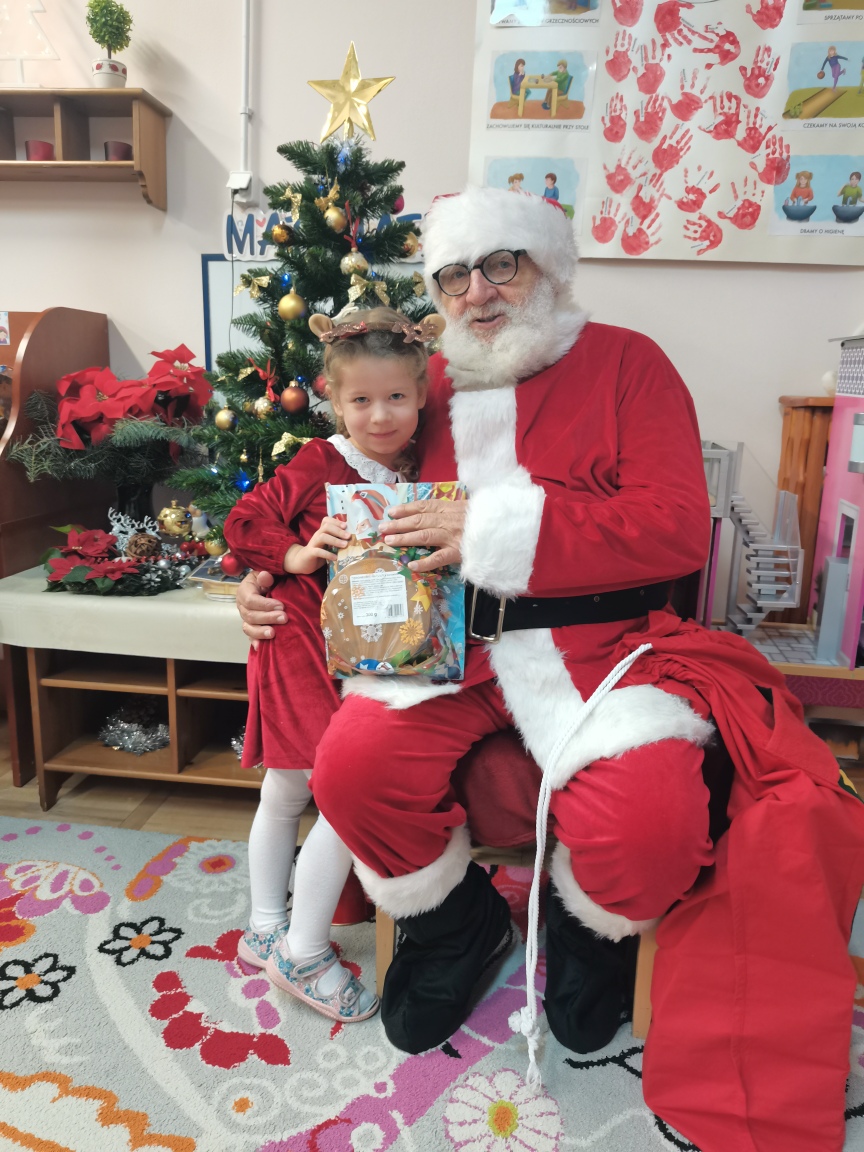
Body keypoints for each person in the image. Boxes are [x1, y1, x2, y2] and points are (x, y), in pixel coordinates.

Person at [236, 188, 864, 1152]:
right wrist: (266, 573)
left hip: (598, 645)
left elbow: (673, 528)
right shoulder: (417, 382)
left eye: (502, 265)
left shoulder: (628, 363)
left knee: (653, 825)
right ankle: (456, 926)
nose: (477, 293)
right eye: (454, 275)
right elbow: (332, 481)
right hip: (445, 643)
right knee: (351, 768)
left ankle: (585, 934)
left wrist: (491, 527)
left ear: (550, 268)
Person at [223, 306, 438, 1024]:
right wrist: (294, 556)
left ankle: (264, 929)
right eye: (361, 399)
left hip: (355, 648)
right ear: (334, 400)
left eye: (396, 396)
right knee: (337, 790)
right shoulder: (322, 460)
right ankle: (299, 950)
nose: (380, 415)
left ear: (421, 394)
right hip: (295, 642)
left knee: (290, 789)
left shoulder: (419, 470)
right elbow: (244, 520)